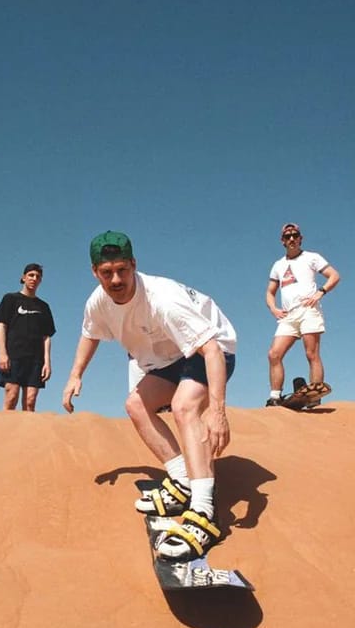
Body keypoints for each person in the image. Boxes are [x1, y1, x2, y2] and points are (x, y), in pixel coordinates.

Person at [62, 231, 237, 560]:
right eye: (106, 272)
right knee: (135, 405)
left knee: (184, 407)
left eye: (122, 270)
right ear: (94, 272)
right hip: (168, 358)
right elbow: (90, 334)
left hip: (213, 349)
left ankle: (203, 511)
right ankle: (184, 481)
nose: (116, 280)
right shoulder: (97, 303)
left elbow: (212, 351)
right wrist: (75, 375)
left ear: (134, 265)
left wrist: (217, 412)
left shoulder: (163, 299)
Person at [265, 223, 341, 406]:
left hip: (308, 310)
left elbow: (334, 275)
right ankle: (275, 396)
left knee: (311, 353)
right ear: (282, 241)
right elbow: (270, 292)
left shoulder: (312, 257)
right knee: (274, 354)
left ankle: (315, 394)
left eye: (295, 235)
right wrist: (274, 308)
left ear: (300, 238)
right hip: (288, 316)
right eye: (287, 236)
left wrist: (320, 292)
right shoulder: (278, 265)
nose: (291, 239)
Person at [0, 263, 56, 411]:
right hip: (13, 356)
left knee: (30, 401)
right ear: (23, 277)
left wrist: (47, 362)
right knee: (11, 396)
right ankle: (4, 433)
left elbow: (47, 336)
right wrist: (2, 353)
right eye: (31, 275)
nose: (34, 279)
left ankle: (28, 434)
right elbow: (1, 325)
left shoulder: (43, 307)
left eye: (38, 277)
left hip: (35, 359)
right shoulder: (10, 299)